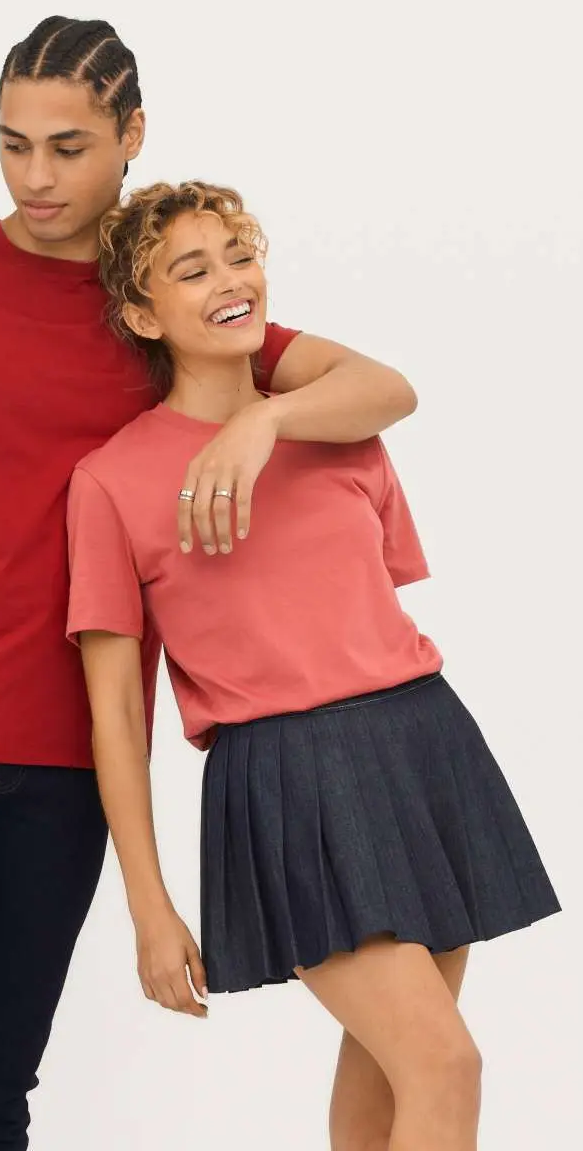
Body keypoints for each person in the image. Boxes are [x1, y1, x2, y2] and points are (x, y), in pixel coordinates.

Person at [0, 19, 418, 1151]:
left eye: (67, 147)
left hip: (67, 759)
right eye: (11, 143)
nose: (35, 176)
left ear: (131, 135)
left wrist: (262, 420)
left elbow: (380, 388)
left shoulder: (164, 304)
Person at [65, 180, 561, 1151]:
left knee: (390, 1071)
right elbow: (115, 718)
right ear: (142, 314)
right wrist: (148, 905)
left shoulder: (336, 427)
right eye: (191, 270)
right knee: (444, 1064)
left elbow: (391, 400)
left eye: (239, 257)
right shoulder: (110, 482)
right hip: (289, 778)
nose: (229, 281)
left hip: (420, 739)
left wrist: (262, 421)